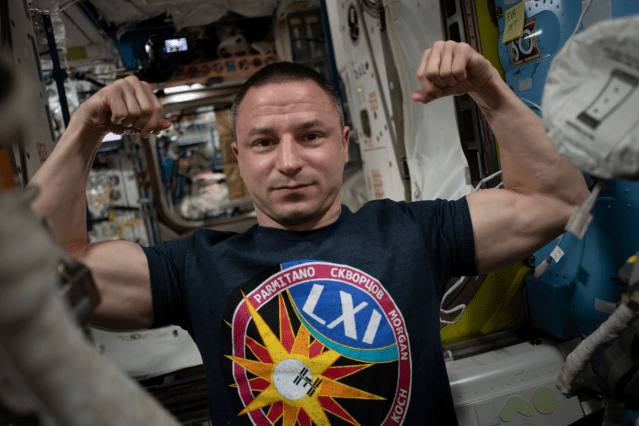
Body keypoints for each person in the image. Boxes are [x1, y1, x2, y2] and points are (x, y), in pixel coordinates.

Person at [29, 40, 589, 425]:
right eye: (265, 142)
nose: (289, 161)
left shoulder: (414, 232)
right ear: (239, 158)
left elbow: (555, 199)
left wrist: (487, 87)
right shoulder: (193, 266)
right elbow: (41, 271)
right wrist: (86, 128)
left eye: (311, 135)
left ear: (345, 144)